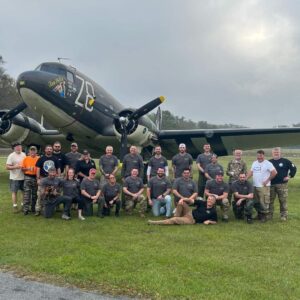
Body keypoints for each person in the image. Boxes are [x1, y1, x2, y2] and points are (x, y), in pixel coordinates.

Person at [247, 150, 277, 222]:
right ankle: (259, 214)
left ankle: (264, 216)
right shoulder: (254, 163)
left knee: (263, 201)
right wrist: (246, 178)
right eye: (258, 155)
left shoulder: (268, 163)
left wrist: (267, 180)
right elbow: (251, 172)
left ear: (263, 155)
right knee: (256, 201)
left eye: (261, 155)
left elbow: (274, 172)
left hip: (263, 186)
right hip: (255, 185)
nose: (259, 157)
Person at [148, 195, 217, 225]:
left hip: (191, 220)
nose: (209, 200)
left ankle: (154, 222)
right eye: (209, 199)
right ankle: (176, 216)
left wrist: (209, 222)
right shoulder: (203, 202)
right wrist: (183, 199)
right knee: (181, 203)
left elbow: (215, 221)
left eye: (211, 200)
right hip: (189, 212)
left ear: (214, 202)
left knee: (174, 220)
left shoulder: (213, 211)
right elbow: (191, 200)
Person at [269, 147, 297, 221]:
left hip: (282, 184)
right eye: (275, 152)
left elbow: (293, 168)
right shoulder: (269, 162)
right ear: (272, 153)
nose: (276, 153)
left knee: (282, 200)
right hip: (271, 184)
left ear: (280, 153)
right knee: (270, 200)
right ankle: (269, 215)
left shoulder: (285, 161)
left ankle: (283, 216)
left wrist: (290, 176)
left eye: (277, 152)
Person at [35, 145, 60, 215]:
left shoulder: (55, 159)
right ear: (45, 150)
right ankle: (38, 209)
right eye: (47, 149)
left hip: (52, 180)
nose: (49, 150)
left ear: (52, 150)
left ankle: (49, 208)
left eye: (50, 149)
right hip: (43, 179)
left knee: (52, 194)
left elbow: (58, 168)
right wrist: (38, 179)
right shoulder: (41, 159)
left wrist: (58, 177)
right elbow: (38, 169)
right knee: (40, 195)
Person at [6, 142, 26, 212]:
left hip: (23, 177)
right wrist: (15, 167)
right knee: (14, 192)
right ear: (14, 148)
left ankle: (23, 205)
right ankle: (15, 206)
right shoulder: (11, 156)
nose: (19, 148)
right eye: (17, 147)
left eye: (20, 146)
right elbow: (7, 167)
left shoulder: (24, 154)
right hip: (14, 178)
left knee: (23, 192)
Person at [21, 145, 40, 215]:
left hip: (35, 177)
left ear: (36, 151)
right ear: (29, 151)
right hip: (27, 177)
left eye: (34, 150)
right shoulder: (26, 158)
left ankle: (33, 208)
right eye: (31, 150)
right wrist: (28, 169)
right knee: (27, 194)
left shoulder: (39, 158)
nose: (32, 151)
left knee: (35, 194)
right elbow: (22, 169)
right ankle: (26, 209)